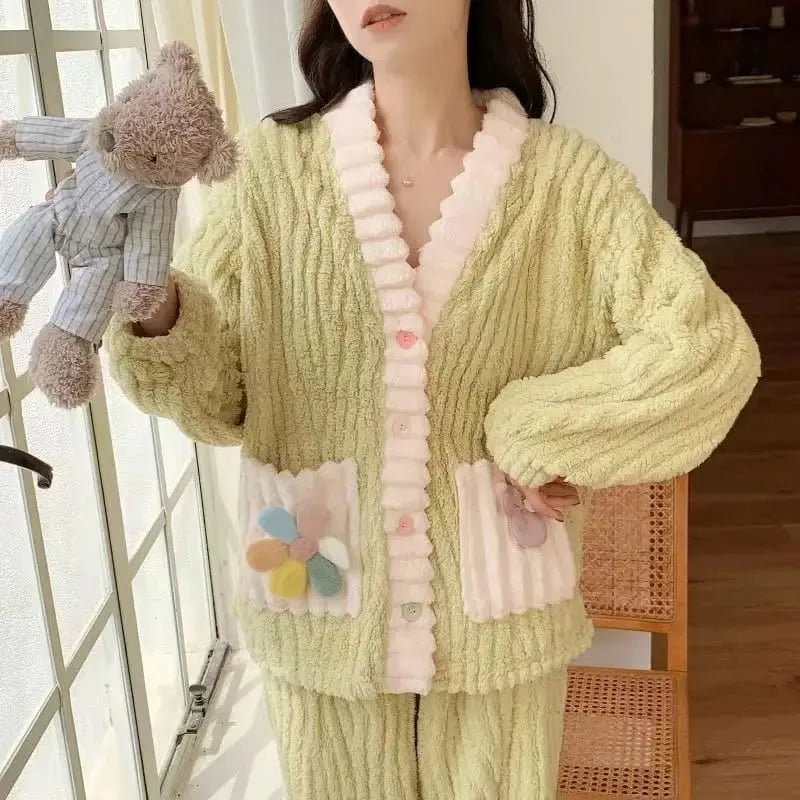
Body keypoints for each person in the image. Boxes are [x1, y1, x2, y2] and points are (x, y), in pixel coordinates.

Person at [106, 1, 760, 797]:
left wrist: (540, 430)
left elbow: (707, 350)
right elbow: (218, 401)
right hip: (319, 609)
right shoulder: (269, 174)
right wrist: (155, 306)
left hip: (501, 621)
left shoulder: (569, 185)